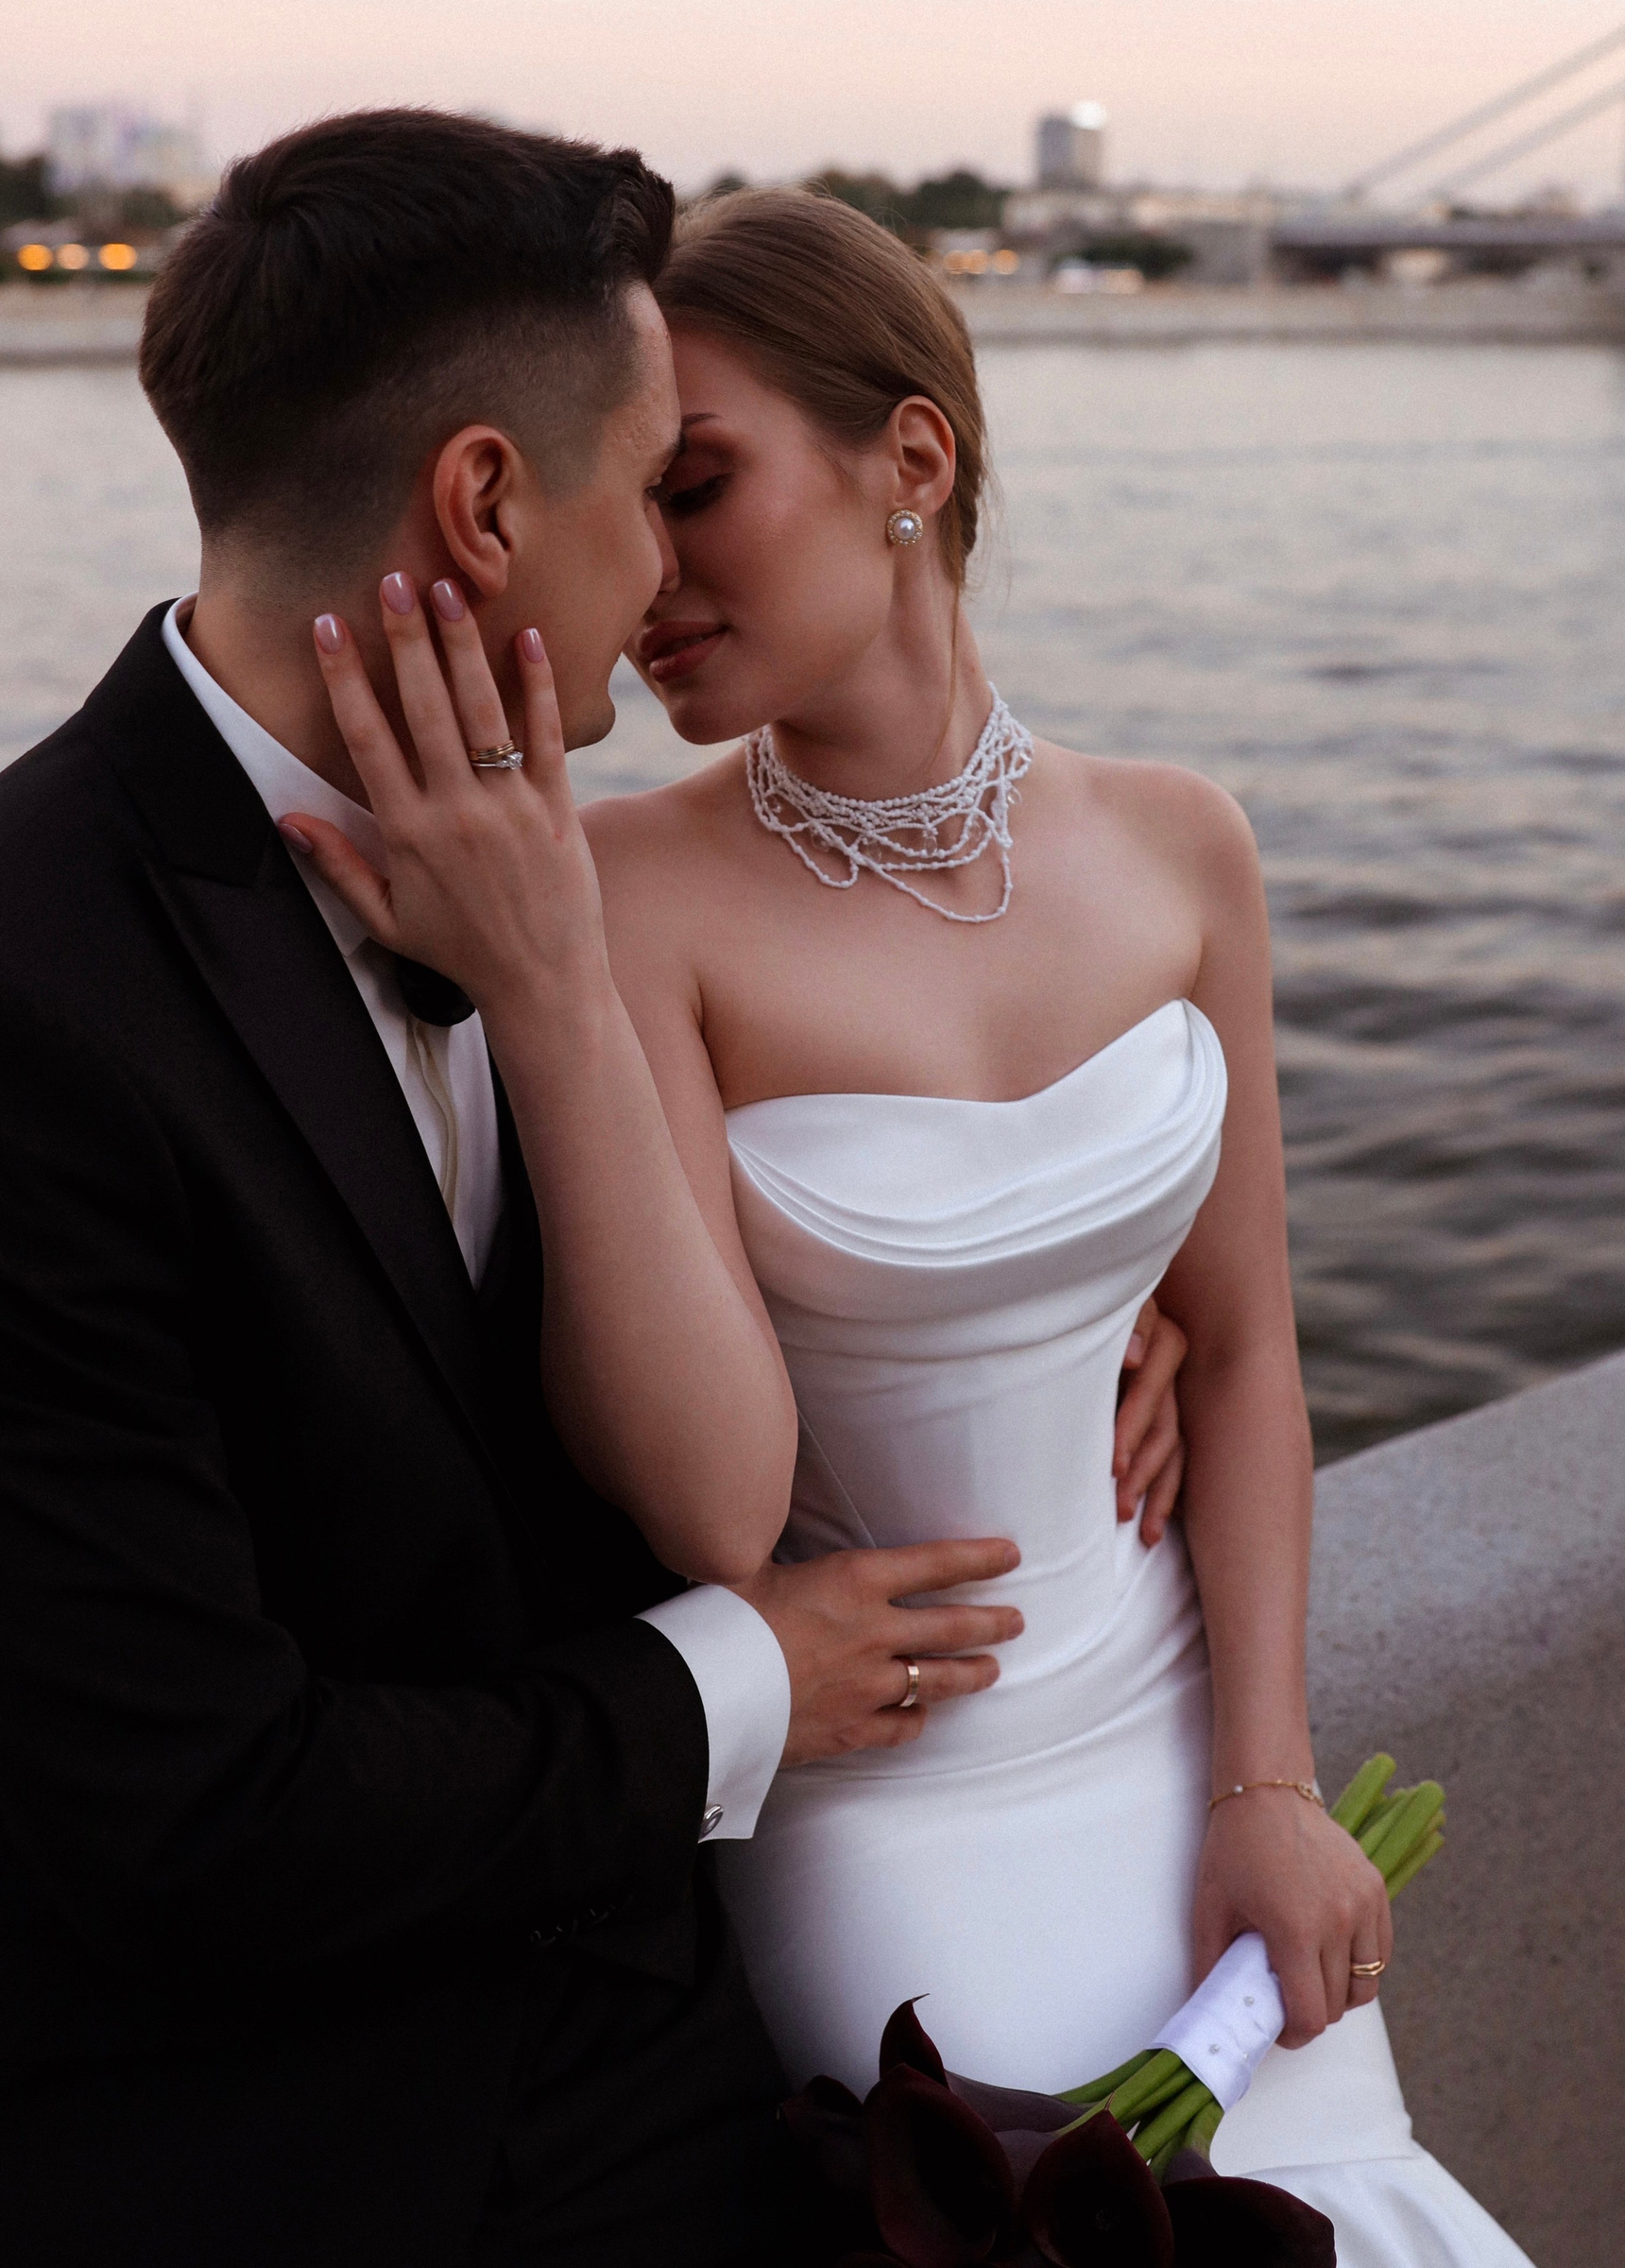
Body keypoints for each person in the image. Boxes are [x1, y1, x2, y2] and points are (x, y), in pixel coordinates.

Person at [0, 117, 1187, 2268]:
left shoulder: (576, 875)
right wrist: (743, 1685)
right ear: (482, 503)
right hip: (201, 2145)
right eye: (647, 488)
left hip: (654, 2062)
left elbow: (720, 1261)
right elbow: (188, 1813)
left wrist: (1088, 1307)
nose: (659, 582)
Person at [301, 188, 1537, 2267]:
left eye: (700, 483)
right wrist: (551, 986)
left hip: (1185, 1731)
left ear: (914, 459)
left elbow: (1246, 1350)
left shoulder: (1185, 847)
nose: (650, 570)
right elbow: (715, 1504)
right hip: (886, 1798)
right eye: (630, 503)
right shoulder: (617, 896)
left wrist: (1268, 1784)